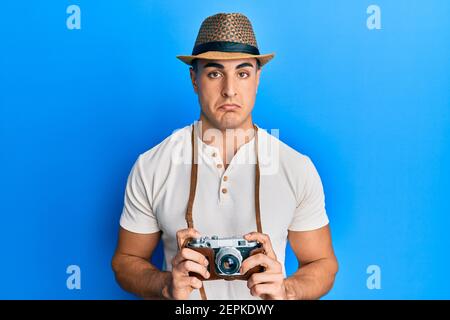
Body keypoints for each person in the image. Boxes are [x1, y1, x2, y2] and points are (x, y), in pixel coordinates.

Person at [111, 12, 338, 300]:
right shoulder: (152, 165)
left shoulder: (295, 167)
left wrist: (287, 290)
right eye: (214, 73)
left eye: (242, 73)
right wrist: (166, 285)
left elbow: (323, 263)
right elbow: (125, 261)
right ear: (194, 79)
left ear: (258, 79)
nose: (229, 90)